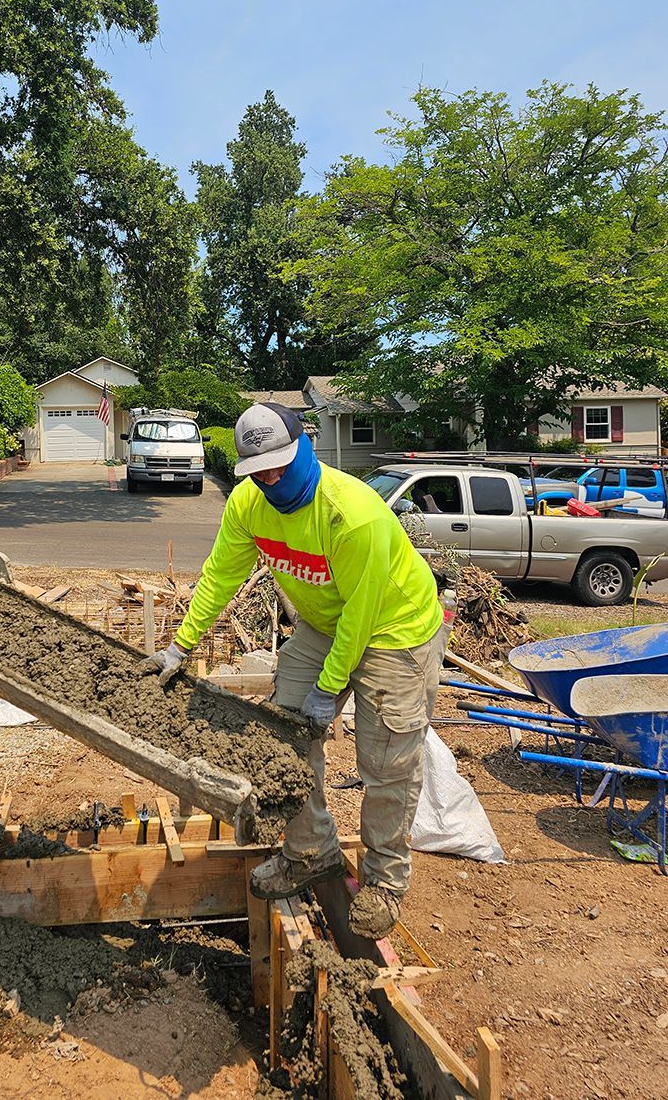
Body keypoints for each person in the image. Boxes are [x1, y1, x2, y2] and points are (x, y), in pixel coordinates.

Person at [142, 402, 446, 938]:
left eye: (281, 462)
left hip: (394, 627)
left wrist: (329, 689)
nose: (272, 477)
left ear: (306, 445)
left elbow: (363, 610)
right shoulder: (248, 505)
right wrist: (179, 647)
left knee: (387, 760)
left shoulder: (352, 513)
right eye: (259, 470)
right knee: (281, 740)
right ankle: (312, 851)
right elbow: (220, 575)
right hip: (324, 622)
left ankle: (385, 881)